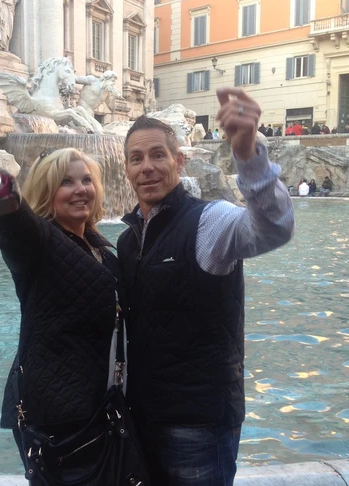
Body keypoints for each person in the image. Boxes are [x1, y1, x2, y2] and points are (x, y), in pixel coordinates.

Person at [117, 87, 294, 486]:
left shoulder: (210, 221)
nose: (147, 167)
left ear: (179, 162)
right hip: (141, 418)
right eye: (137, 158)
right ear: (125, 169)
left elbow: (274, 228)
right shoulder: (128, 242)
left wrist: (249, 156)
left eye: (158, 155)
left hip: (198, 425)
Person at [0, 148, 127, 483]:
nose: (80, 189)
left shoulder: (101, 248)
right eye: (66, 182)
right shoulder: (39, 242)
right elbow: (14, 222)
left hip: (100, 408)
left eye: (87, 180)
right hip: (61, 416)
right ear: (48, 192)